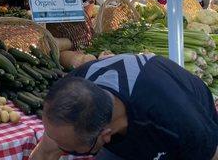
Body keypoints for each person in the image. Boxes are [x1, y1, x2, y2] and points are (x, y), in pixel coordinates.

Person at [30, 54, 218, 160]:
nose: (57, 144)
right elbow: (45, 152)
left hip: (185, 132)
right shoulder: (71, 100)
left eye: (72, 150)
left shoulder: (176, 120)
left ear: (105, 136)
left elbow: (212, 154)